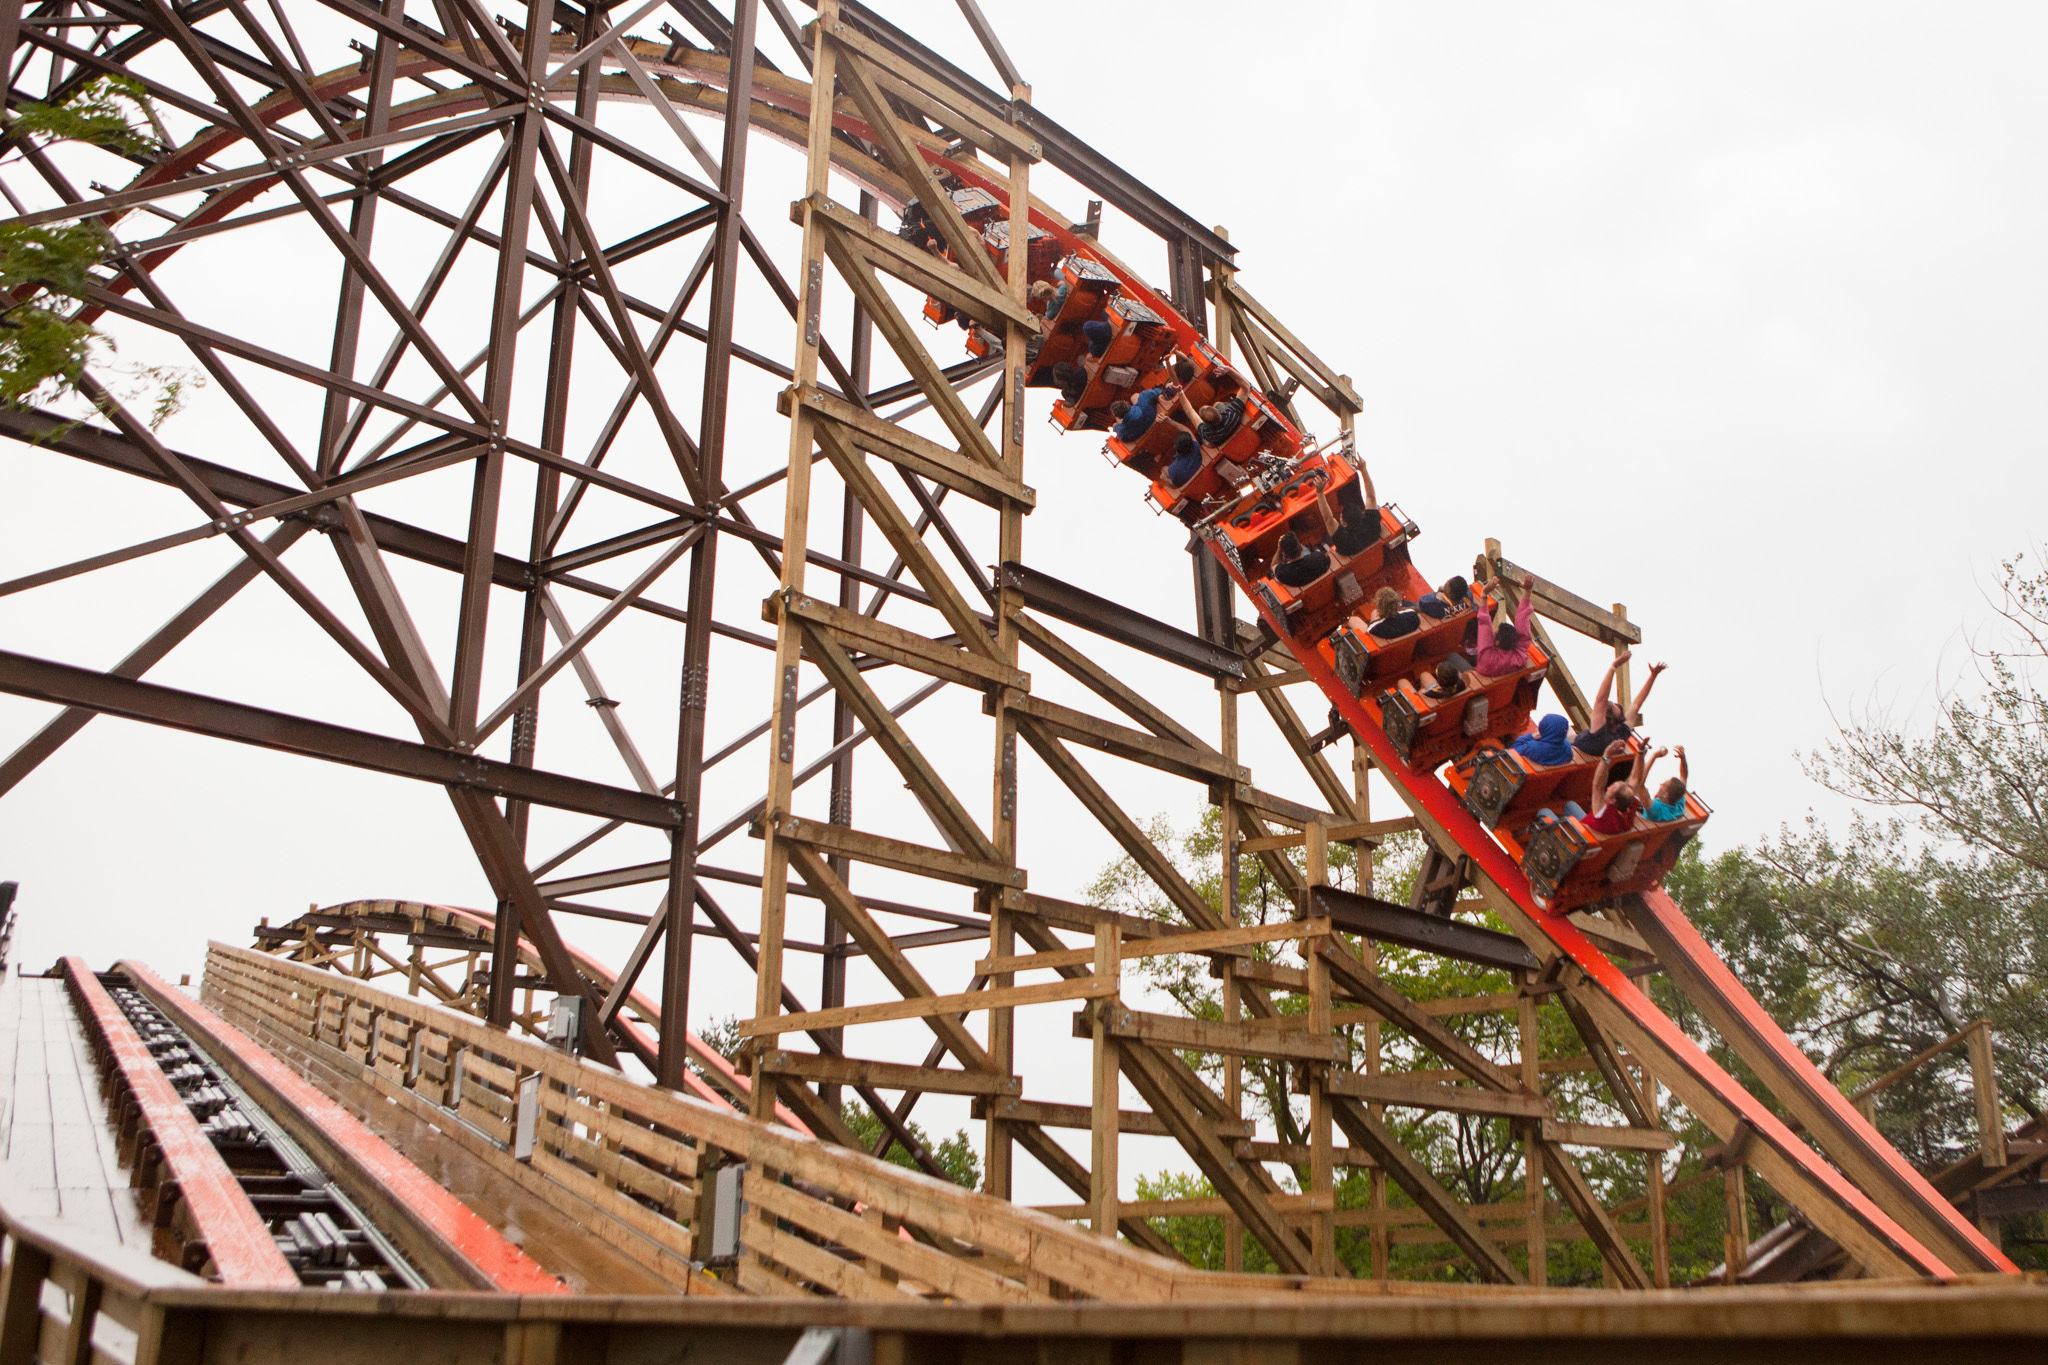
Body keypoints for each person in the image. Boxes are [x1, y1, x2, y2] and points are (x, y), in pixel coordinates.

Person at [1572, 650, 1667, 758]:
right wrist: (1652, 676)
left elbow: (1601, 699)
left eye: (1612, 705)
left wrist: (1614, 666)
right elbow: (1636, 704)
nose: (1609, 703)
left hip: (1577, 754)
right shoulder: (1622, 732)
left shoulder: (1600, 728)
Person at [1474, 572, 1536, 676]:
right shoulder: (1519, 656)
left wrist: (1484, 594)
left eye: (1495, 633)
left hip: (1482, 674)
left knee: (1453, 656)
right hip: (1504, 685)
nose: (1493, 632)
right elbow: (1522, 617)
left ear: (1497, 642)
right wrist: (1528, 591)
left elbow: (1484, 622)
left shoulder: (1487, 657)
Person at [1639, 745, 1690, 821]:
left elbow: (1640, 785)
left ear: (1666, 795)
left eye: (1663, 785)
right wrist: (1683, 758)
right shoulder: (1679, 803)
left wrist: (1654, 756)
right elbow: (1683, 776)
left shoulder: (1656, 809)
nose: (1660, 784)